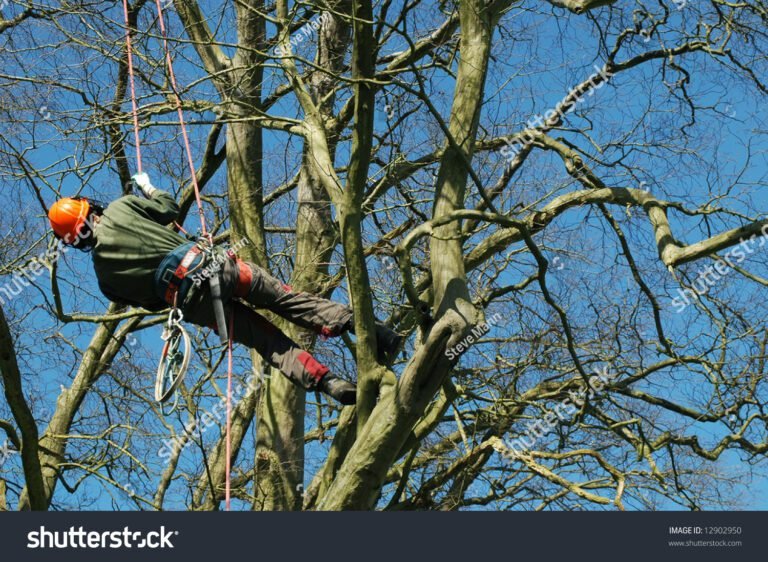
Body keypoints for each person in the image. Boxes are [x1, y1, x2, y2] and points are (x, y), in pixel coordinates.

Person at [47, 173, 401, 405]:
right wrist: (149, 187)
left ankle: (327, 383)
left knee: (269, 343)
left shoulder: (105, 279)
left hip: (195, 304)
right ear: (90, 209)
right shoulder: (122, 209)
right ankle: (374, 331)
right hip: (215, 267)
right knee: (287, 300)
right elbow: (169, 207)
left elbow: (153, 304)